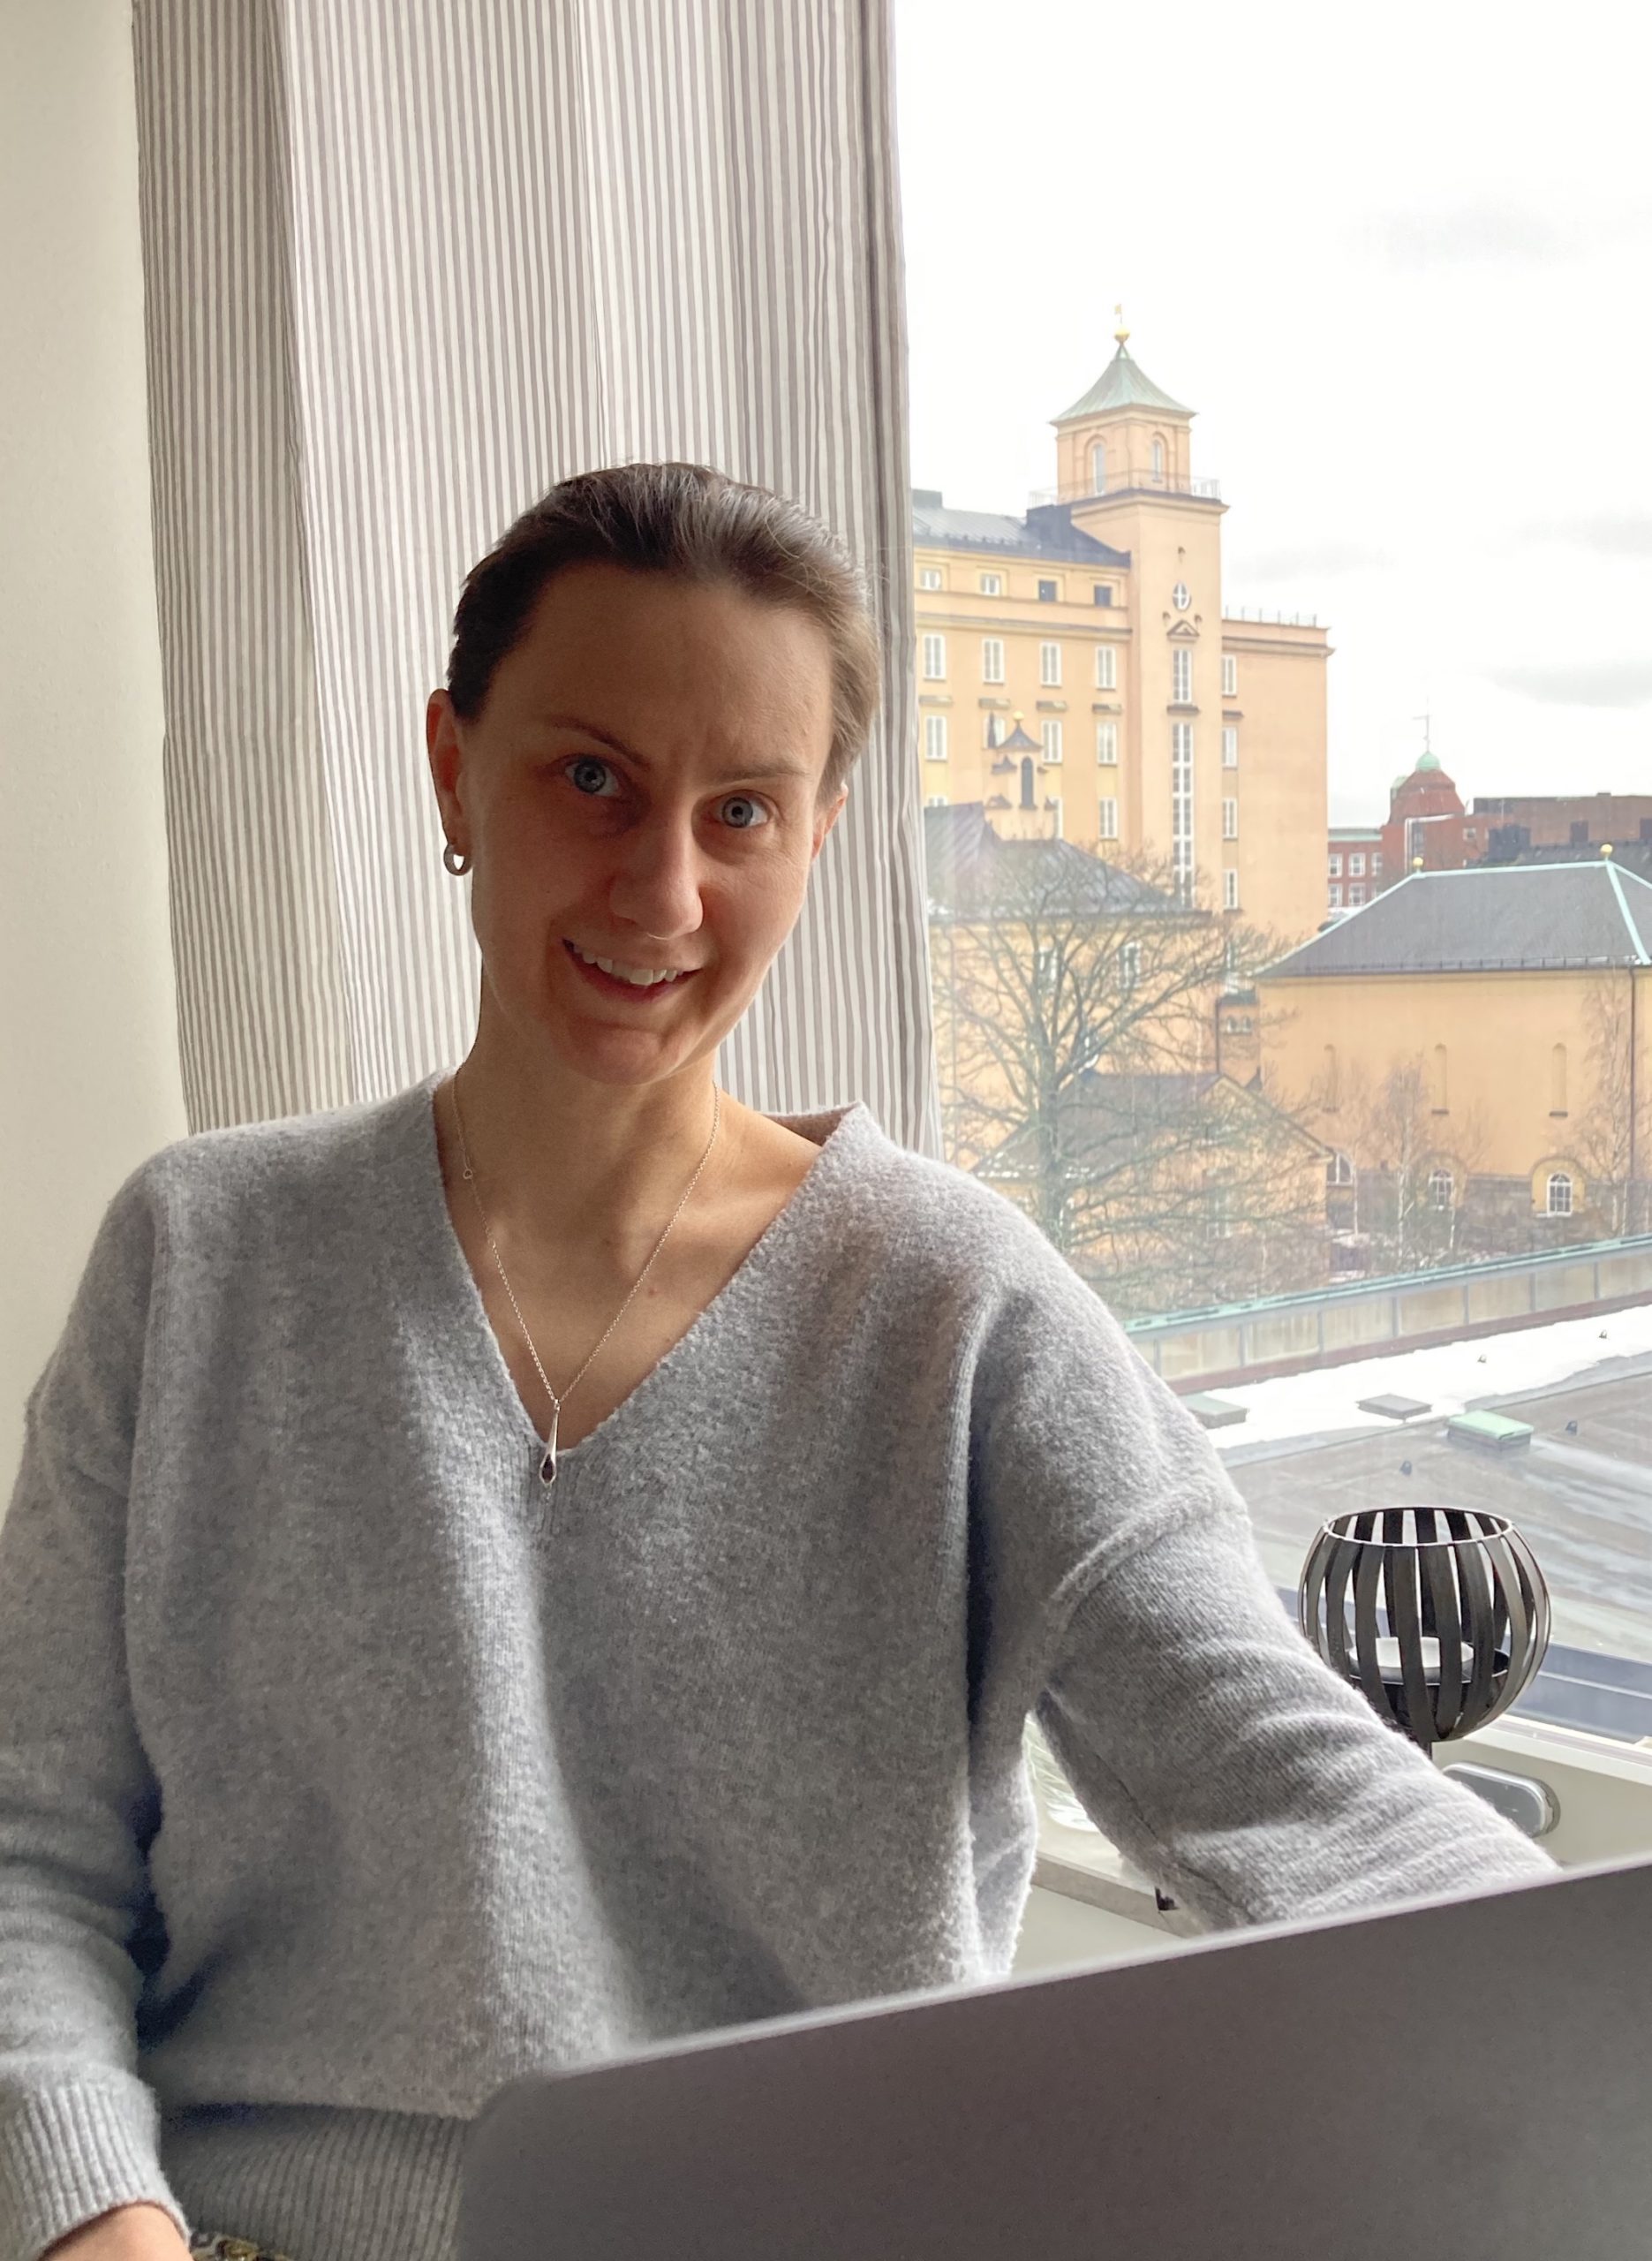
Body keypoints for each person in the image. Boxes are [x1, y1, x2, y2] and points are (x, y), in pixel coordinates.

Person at [0, 463, 1552, 2261]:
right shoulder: (201, 1257)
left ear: (816, 839)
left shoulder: (959, 1314)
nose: (662, 890)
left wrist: (1570, 2020)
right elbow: (35, 1850)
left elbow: (1295, 1786)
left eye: (739, 809)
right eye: (593, 779)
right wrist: (94, 2214)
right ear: (453, 769)